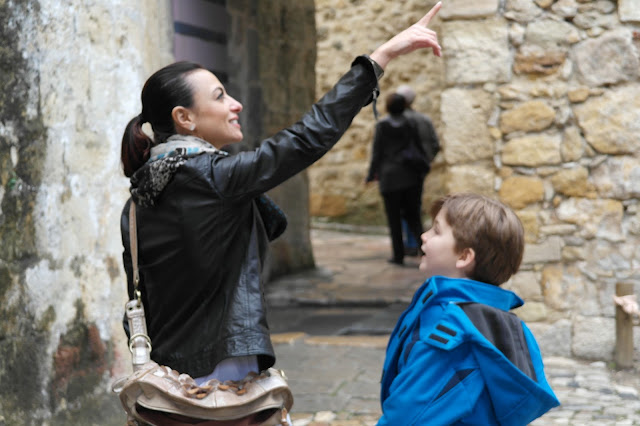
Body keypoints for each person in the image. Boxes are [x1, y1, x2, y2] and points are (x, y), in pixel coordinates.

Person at [118, 2, 443, 423]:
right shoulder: (212, 177)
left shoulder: (137, 200)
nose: (235, 104)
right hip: (225, 377)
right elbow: (307, 137)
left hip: (166, 384)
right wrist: (380, 59)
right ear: (185, 119)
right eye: (220, 96)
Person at [378, 193, 560, 425]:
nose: (424, 236)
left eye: (436, 231)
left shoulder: (451, 331)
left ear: (464, 256)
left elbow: (408, 416)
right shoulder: (496, 320)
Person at [366, 93, 425, 265]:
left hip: (390, 177)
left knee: (394, 218)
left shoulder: (382, 125)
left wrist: (370, 175)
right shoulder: (411, 123)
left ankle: (398, 255)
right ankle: (424, 250)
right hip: (410, 176)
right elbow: (419, 147)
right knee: (414, 216)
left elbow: (377, 153)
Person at [396, 84, 440, 257]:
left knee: (400, 209)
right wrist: (426, 162)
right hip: (418, 171)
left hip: (399, 173)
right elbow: (435, 144)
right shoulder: (424, 119)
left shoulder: (395, 120)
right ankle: (415, 242)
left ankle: (407, 245)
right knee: (414, 206)